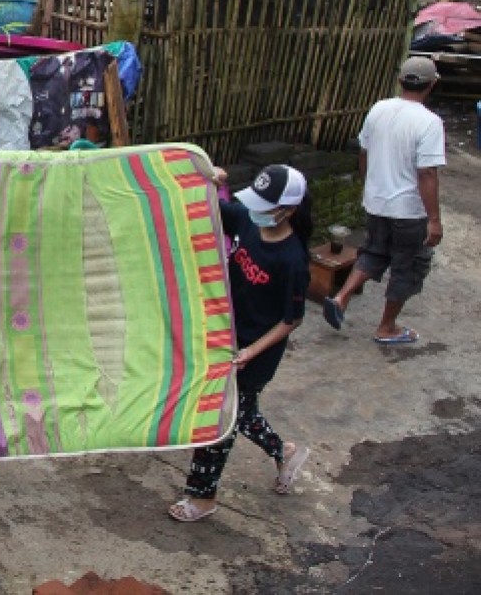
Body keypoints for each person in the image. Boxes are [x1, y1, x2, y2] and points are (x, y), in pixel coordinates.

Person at [168, 164, 312, 523]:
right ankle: (284, 451)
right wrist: (210, 177)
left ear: (289, 210)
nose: (257, 210)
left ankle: (202, 496)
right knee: (241, 413)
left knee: (220, 422)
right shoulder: (249, 220)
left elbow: (291, 320)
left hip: (253, 354)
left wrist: (250, 352)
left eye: (266, 205)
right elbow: (216, 208)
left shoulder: (292, 260)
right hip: (224, 336)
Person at [322, 57, 446, 344]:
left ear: (400, 80)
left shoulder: (379, 108)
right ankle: (387, 327)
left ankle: (340, 298)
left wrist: (371, 186)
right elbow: (427, 172)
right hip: (408, 211)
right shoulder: (430, 122)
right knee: (409, 265)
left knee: (375, 252)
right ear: (432, 84)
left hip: (377, 202)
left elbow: (363, 152)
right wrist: (435, 220)